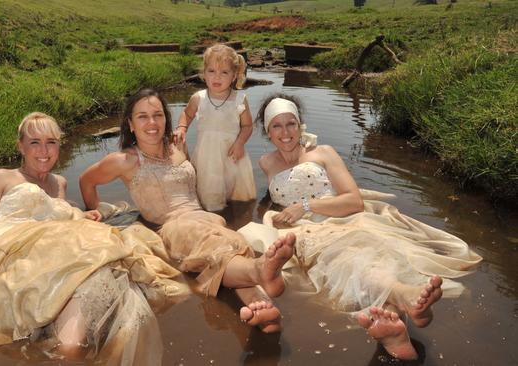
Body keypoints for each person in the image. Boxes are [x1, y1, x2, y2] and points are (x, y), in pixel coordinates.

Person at [243, 94, 482, 360]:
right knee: (346, 262)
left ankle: (404, 297)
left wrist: (307, 207)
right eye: (277, 125)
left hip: (341, 218)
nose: (285, 132)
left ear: (300, 125)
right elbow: (269, 199)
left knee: (358, 254)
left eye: (291, 123)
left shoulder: (323, 153)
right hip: (301, 230)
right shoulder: (265, 162)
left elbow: (353, 200)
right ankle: (395, 327)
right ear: (267, 130)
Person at [0, 112, 185, 364]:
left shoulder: (60, 184)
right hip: (11, 252)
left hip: (52, 254)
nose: (44, 150)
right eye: (34, 142)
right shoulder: (2, 177)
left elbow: (57, 224)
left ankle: (65, 347)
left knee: (104, 268)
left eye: (51, 142)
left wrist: (79, 215)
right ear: (20, 146)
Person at [79, 89, 295, 333]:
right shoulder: (125, 160)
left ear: (166, 119)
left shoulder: (177, 147)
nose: (152, 123)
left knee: (228, 245)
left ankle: (263, 312)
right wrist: (93, 212)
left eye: (158, 115)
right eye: (142, 116)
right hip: (174, 226)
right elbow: (87, 181)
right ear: (130, 124)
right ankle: (260, 272)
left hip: (205, 219)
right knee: (214, 247)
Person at [173, 44, 256, 211]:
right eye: (211, 71)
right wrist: (182, 128)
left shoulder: (239, 99)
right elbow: (187, 114)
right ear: (204, 73)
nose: (217, 77)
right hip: (207, 157)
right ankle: (214, 219)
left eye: (224, 72)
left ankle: (238, 220)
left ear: (234, 76)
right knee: (210, 196)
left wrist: (239, 143)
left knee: (238, 198)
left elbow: (247, 126)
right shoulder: (199, 98)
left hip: (233, 154)